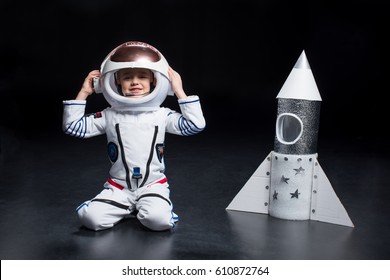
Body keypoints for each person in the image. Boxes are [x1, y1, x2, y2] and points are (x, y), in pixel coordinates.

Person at [62, 41, 206, 231]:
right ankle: (127, 205)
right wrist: (84, 92)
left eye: (142, 76)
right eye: (127, 77)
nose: (135, 82)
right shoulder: (109, 115)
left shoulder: (161, 115)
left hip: (152, 185)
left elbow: (195, 125)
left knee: (159, 221)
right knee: (92, 220)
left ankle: (146, 206)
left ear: (154, 81)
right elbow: (73, 127)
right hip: (119, 187)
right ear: (116, 83)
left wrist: (179, 90)